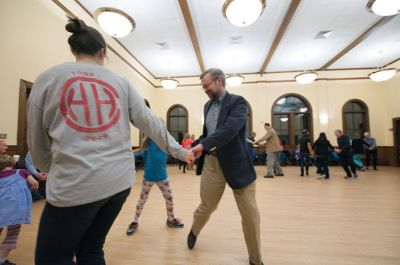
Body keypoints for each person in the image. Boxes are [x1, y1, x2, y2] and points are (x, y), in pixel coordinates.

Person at [27, 17, 193, 265]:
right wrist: (180, 152)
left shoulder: (48, 78)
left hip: (74, 185)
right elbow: (153, 123)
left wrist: (55, 169)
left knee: (52, 258)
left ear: (74, 49)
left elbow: (36, 141)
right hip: (118, 184)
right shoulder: (121, 82)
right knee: (91, 249)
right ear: (103, 51)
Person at [188, 68, 263, 265]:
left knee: (250, 214)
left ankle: (256, 260)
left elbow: (229, 129)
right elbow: (209, 133)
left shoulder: (238, 102)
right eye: (203, 87)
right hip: (212, 165)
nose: (204, 89)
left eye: (207, 86)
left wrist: (202, 145)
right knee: (207, 206)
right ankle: (194, 230)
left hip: (237, 164)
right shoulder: (206, 106)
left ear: (219, 81)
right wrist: (196, 146)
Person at [126, 136, 184, 236]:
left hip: (163, 178)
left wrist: (187, 152)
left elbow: (178, 151)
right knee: (142, 200)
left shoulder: (166, 143)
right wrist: (126, 154)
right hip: (149, 177)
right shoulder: (148, 143)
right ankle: (134, 221)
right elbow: (138, 150)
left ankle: (170, 219)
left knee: (169, 199)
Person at [0, 154, 39, 265]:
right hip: (17, 210)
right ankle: (2, 259)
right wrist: (28, 190)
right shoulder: (22, 172)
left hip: (1, 208)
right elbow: (35, 183)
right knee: (12, 234)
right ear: (12, 163)